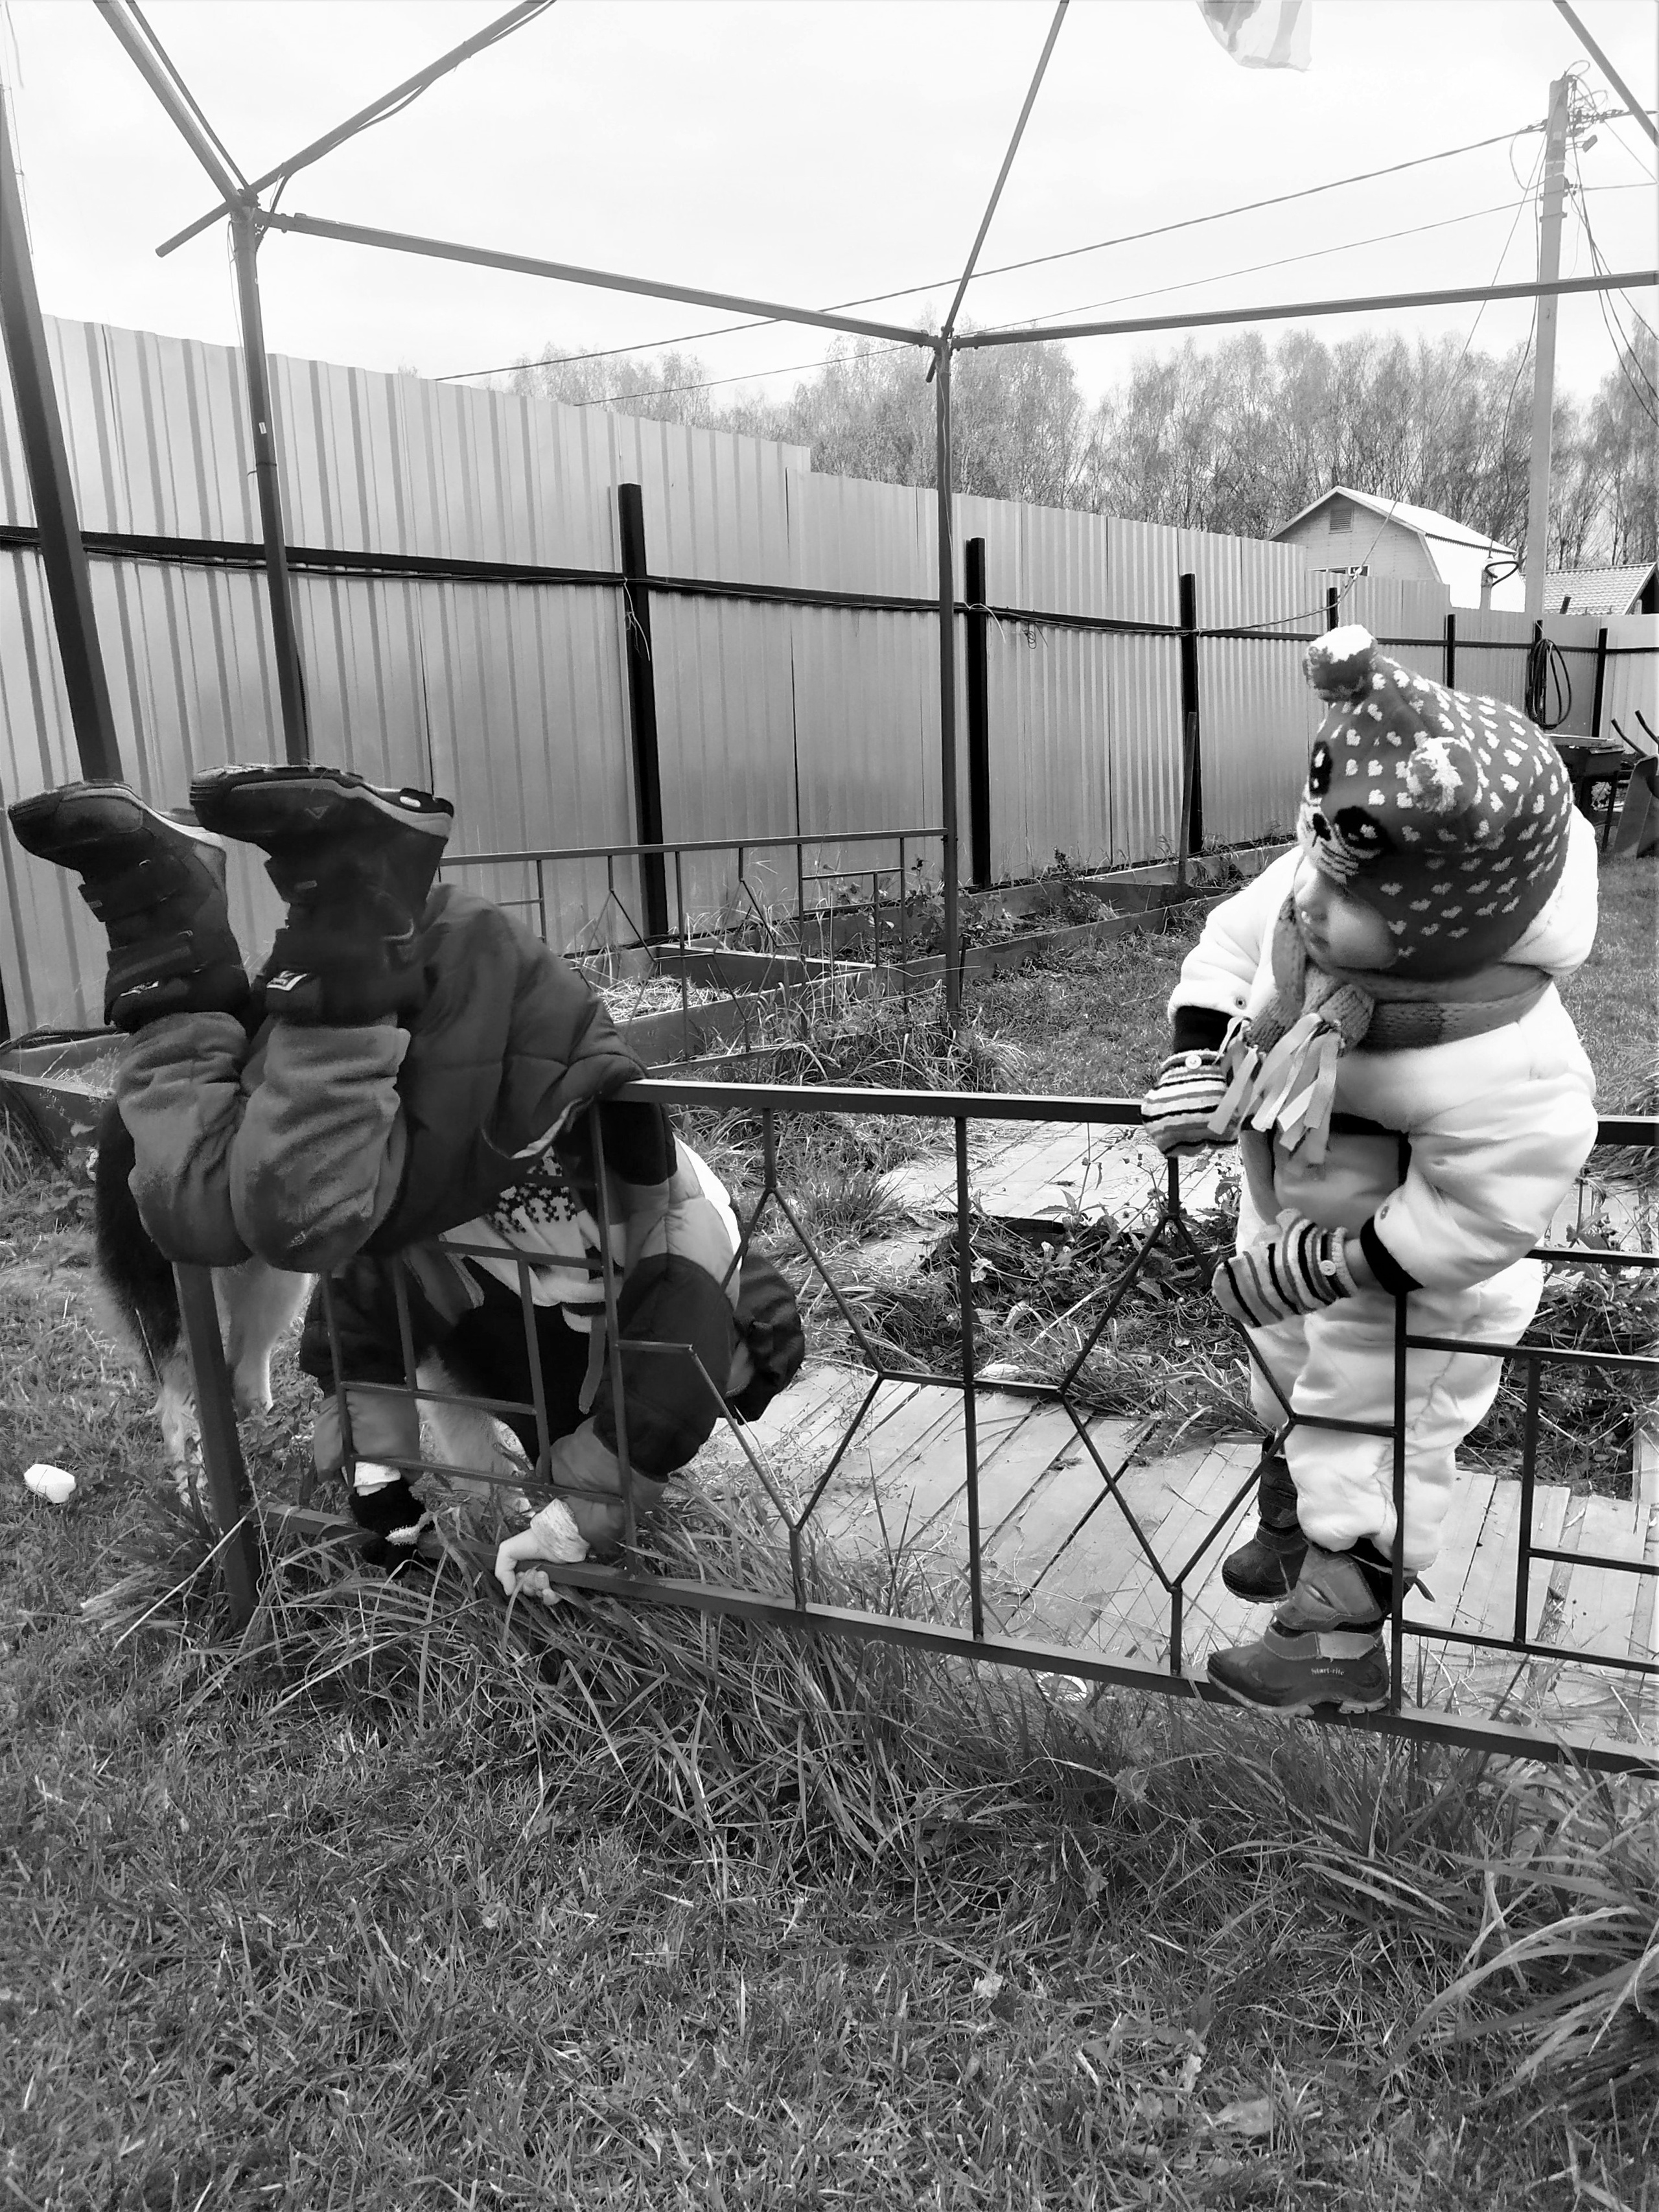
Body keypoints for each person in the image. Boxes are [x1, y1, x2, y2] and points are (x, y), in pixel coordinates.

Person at [8, 764, 802, 1589]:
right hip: (497, 1060)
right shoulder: (690, 1235)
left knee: (196, 1207)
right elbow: (675, 1364)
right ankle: (353, 886)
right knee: (295, 1209)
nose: (714, 1396)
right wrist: (571, 1520)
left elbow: (371, 1298)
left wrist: (382, 1485)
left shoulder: (545, 1279)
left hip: (461, 1059)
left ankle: (166, 921)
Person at [1139, 627, 1599, 1714]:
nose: (1308, 908)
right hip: (1299, 1222)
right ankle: (1294, 1524)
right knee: (1286, 1383)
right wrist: (1204, 1053)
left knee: (1372, 1437)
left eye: (1342, 912)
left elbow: (1481, 1213)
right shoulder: (1323, 891)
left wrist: (1329, 1264)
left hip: (1412, 1289)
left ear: (1450, 931)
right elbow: (1234, 939)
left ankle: (1338, 1648)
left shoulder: (1510, 1054)